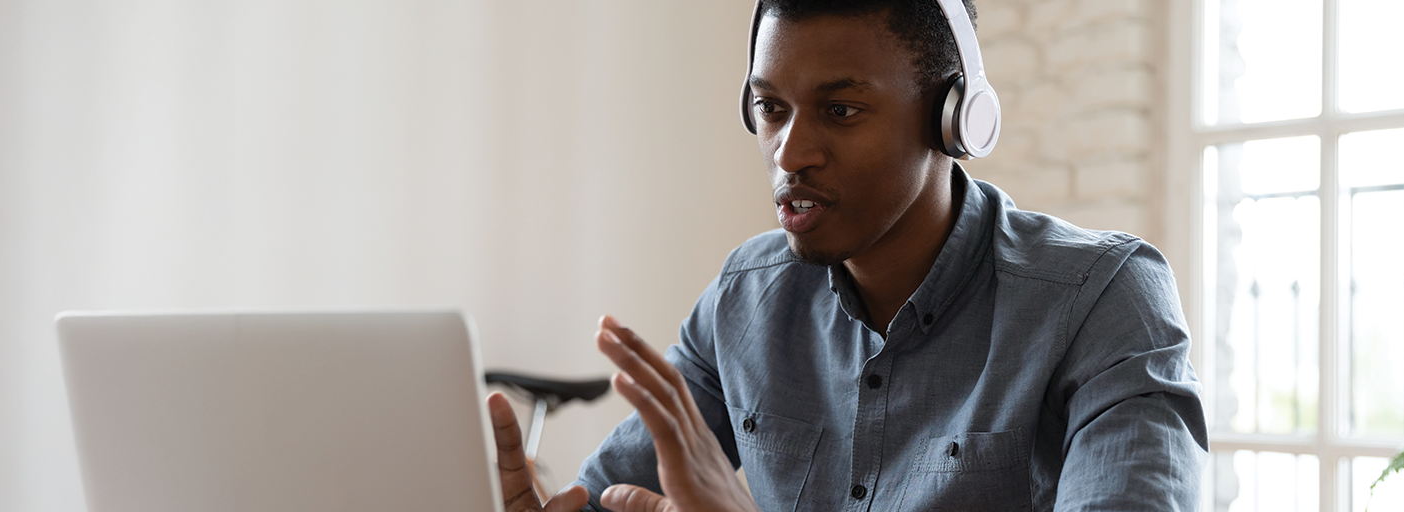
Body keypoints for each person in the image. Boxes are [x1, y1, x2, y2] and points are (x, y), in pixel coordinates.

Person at [485, 0, 1207, 510]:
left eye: (840, 110)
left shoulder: (1103, 298)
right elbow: (606, 499)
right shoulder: (744, 300)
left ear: (952, 119)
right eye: (771, 109)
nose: (789, 154)